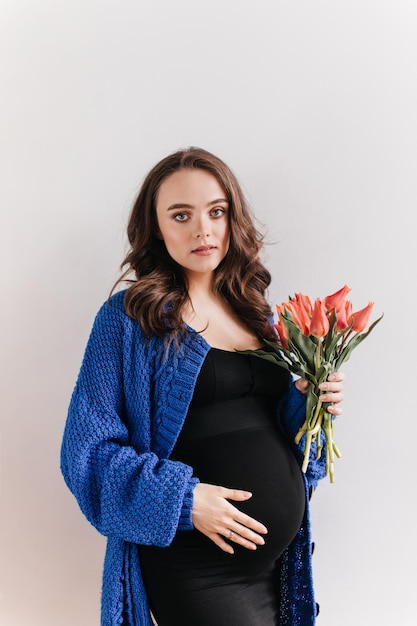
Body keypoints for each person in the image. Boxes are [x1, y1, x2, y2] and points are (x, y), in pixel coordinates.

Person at [60, 147, 345, 626]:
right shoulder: (129, 320)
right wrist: (184, 501)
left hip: (275, 567)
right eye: (181, 215)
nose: (203, 230)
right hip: (196, 564)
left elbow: (279, 438)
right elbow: (85, 454)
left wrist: (311, 404)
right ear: (155, 229)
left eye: (216, 212)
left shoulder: (260, 313)